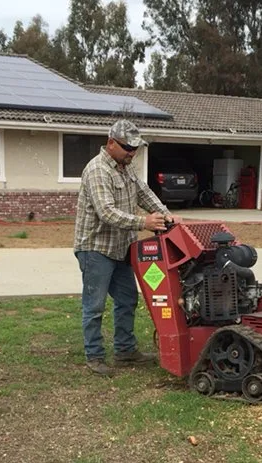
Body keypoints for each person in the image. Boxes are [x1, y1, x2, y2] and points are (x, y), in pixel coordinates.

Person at [73, 120, 179, 375]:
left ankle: (125, 350)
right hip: (95, 248)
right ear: (111, 143)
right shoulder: (98, 170)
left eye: (135, 148)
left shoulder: (126, 168)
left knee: (127, 299)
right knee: (94, 305)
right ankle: (94, 356)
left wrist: (166, 215)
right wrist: (144, 222)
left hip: (121, 247)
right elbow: (106, 212)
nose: (132, 153)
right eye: (127, 148)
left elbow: (144, 193)